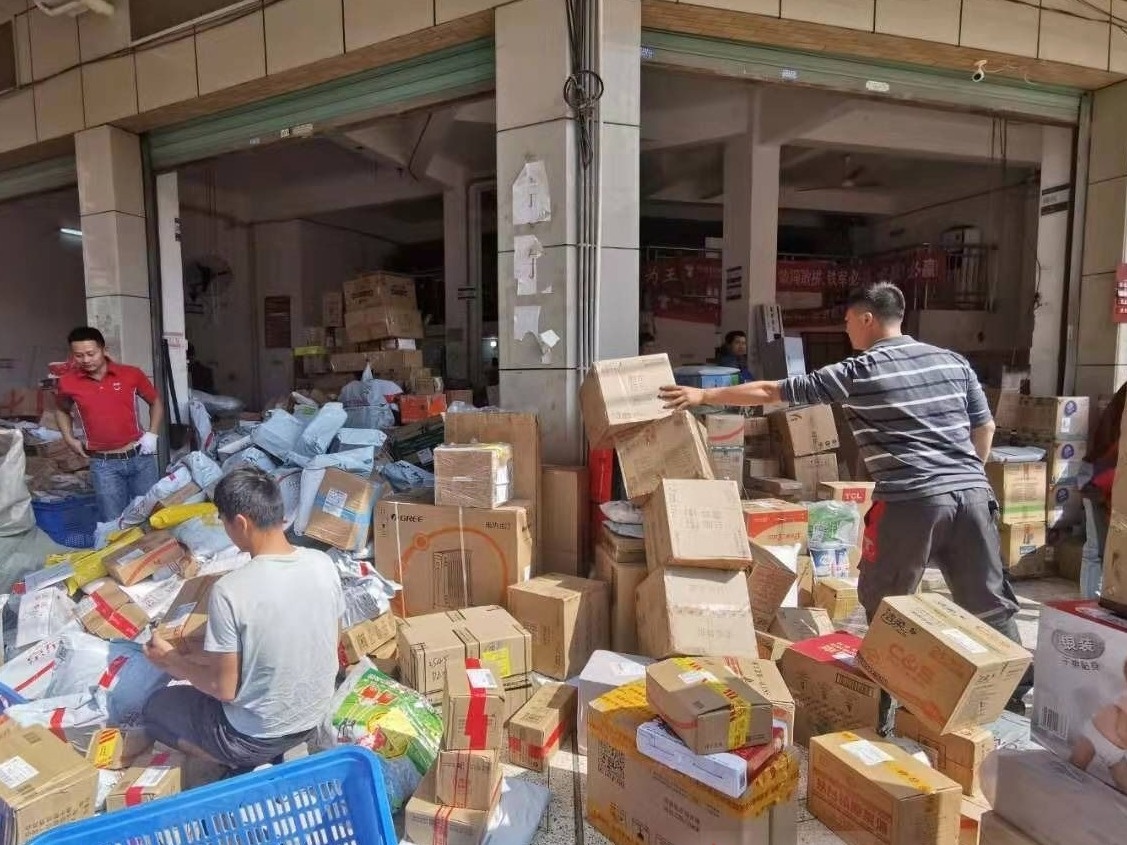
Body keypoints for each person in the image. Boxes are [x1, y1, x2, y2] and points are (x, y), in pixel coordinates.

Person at [660, 282, 1029, 714]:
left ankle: (885, 708)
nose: (846, 328)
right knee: (988, 600)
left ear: (867, 318)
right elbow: (984, 428)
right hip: (973, 495)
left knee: (889, 605)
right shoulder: (953, 362)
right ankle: (1013, 697)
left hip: (911, 501)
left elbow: (773, 392)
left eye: (849, 320)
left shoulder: (861, 370)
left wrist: (704, 396)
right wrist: (964, 475)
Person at [142, 468, 343, 773]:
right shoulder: (322, 563)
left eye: (223, 521)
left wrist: (172, 661)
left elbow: (224, 689)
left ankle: (235, 762)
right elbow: (329, 639)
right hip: (315, 715)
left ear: (241, 523)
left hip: (254, 738)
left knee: (157, 707)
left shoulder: (230, 590)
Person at [55, 326, 164, 522]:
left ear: (104, 350)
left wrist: (152, 433)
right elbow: (61, 410)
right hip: (104, 465)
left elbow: (155, 401)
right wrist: (69, 438)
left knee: (152, 516)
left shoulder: (131, 374)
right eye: (79, 355)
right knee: (113, 521)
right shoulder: (68, 383)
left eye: (91, 354)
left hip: (140, 458)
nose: (86, 360)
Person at [1078, 382, 1127, 599]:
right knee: (1096, 550)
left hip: (1106, 477)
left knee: (1101, 550)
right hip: (1100, 478)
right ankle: (1089, 606)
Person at [1070, 656, 1127, 793]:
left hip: (1102, 738)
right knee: (1075, 765)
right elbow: (1122, 730)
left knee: (1077, 763)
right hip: (1099, 735)